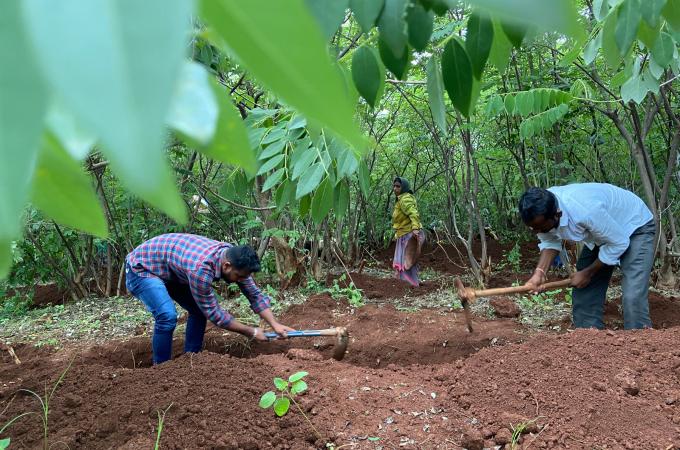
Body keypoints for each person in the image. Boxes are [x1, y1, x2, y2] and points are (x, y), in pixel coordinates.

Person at [125, 233, 295, 364]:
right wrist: (251, 331)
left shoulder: (236, 259)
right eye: (239, 276)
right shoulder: (201, 269)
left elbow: (254, 295)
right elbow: (215, 314)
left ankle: (192, 359)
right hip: (142, 268)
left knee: (198, 311)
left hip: (172, 270)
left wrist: (275, 324)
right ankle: (162, 369)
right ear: (226, 266)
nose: (241, 280)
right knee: (167, 316)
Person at [518, 183, 655, 330]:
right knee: (584, 290)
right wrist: (539, 273)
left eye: (541, 228)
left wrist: (588, 272)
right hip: (604, 232)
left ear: (558, 214)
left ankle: (639, 337)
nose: (537, 232)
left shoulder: (586, 211)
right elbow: (549, 240)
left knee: (633, 295)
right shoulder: (539, 209)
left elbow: (619, 243)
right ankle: (588, 336)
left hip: (635, 225)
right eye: (533, 228)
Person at [392, 177, 425, 287]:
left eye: (398, 186)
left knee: (407, 261)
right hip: (403, 234)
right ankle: (404, 284)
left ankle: (410, 284)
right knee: (404, 261)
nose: (395, 188)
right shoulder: (401, 199)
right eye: (394, 186)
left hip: (409, 234)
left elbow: (413, 213)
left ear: (404, 188)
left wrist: (415, 228)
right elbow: (401, 220)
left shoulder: (405, 199)